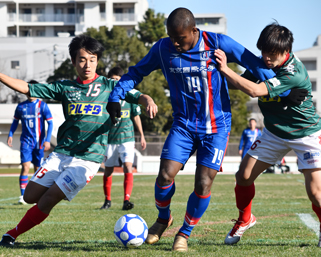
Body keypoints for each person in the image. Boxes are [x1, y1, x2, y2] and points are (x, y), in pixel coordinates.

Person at [106, 7, 285, 252]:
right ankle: (163, 218)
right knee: (164, 176)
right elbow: (137, 72)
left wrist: (280, 87)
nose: (176, 43)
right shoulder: (162, 48)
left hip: (216, 127)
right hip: (183, 126)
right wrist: (116, 96)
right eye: (172, 38)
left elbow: (252, 63)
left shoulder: (218, 43)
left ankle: (184, 232)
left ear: (194, 31)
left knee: (203, 184)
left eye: (181, 38)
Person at [0, 34, 158, 247]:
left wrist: (149, 101)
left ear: (97, 60)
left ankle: (11, 235)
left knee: (49, 198)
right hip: (61, 154)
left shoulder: (111, 86)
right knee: (30, 196)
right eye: (81, 59)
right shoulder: (65, 88)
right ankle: (21, 224)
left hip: (88, 159)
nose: (87, 64)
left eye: (92, 59)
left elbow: (138, 95)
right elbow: (27, 87)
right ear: (73, 61)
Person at [214, 22, 321, 247]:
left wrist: (226, 69)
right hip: (274, 132)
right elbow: (241, 83)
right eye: (263, 52)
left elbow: (254, 90)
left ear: (286, 52)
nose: (267, 59)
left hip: (306, 134)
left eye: (272, 55)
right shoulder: (264, 63)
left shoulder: (294, 72)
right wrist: (213, 72)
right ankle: (245, 219)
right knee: (243, 177)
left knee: (316, 193)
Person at [100, 67, 147, 211]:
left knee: (128, 166)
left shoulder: (129, 96)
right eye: (113, 79)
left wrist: (142, 136)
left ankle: (126, 200)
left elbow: (136, 116)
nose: (115, 82)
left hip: (127, 138)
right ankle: (107, 200)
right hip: (110, 139)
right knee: (108, 170)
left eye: (118, 79)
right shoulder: (105, 98)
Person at [8, 80, 53, 205]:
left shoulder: (42, 106)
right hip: (26, 142)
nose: (31, 92)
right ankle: (23, 196)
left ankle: (36, 197)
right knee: (25, 167)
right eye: (29, 89)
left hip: (39, 143)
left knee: (38, 170)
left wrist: (47, 140)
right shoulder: (21, 107)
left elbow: (50, 123)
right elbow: (15, 122)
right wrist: (10, 134)